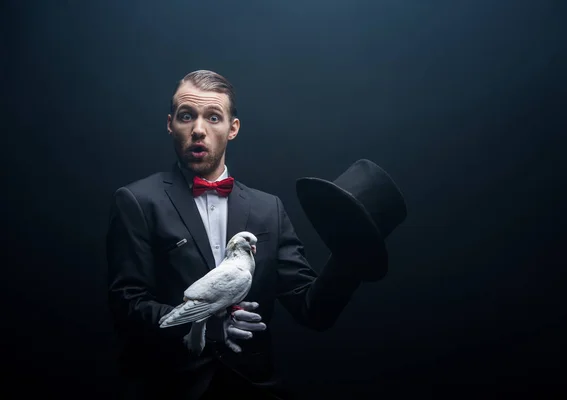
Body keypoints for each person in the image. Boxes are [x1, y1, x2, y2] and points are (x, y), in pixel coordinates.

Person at [106, 69, 405, 400]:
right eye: (186, 116)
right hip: (166, 390)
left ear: (232, 128)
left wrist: (351, 252)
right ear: (170, 124)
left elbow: (312, 311)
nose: (198, 130)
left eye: (214, 117)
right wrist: (208, 326)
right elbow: (126, 306)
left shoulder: (269, 210)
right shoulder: (136, 200)